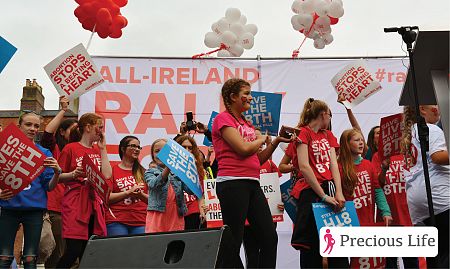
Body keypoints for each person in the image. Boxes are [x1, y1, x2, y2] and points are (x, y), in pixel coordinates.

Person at [211, 78, 291, 268]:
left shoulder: (246, 123)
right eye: (245, 94)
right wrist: (260, 139)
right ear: (232, 97)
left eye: (250, 94)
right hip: (232, 183)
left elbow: (257, 159)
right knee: (233, 240)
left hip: (252, 183)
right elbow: (243, 149)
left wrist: (275, 141)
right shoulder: (223, 119)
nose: (250, 98)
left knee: (269, 236)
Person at [290, 98, 347, 269]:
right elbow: (304, 166)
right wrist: (322, 196)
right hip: (310, 191)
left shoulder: (328, 135)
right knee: (311, 245)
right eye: (330, 115)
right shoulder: (303, 133)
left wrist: (338, 191)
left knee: (336, 242)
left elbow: (333, 164)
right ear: (323, 114)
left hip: (328, 187)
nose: (330, 119)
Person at [0, 111, 62, 269]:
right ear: (19, 126)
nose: (33, 129)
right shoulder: (4, 149)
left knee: (30, 258)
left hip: (34, 210)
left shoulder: (44, 153)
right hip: (9, 208)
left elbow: (49, 187)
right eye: (28, 124)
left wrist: (57, 172)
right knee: (4, 257)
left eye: (36, 126)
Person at [55, 113, 112, 268]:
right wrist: (74, 174)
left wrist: (103, 149)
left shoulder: (96, 150)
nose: (102, 131)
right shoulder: (71, 148)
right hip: (75, 202)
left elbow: (107, 175)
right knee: (73, 249)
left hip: (93, 203)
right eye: (99, 127)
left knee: (88, 251)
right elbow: (57, 177)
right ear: (88, 127)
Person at [401, 105, 449, 269]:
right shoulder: (431, 129)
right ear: (422, 109)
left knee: (433, 257)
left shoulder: (409, 134)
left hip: (417, 205)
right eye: (434, 105)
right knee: (447, 252)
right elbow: (437, 157)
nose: (438, 108)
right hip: (438, 198)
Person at [338, 128, 393, 268]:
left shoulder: (367, 164)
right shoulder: (339, 167)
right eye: (357, 140)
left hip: (368, 222)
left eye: (362, 140)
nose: (361, 143)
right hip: (349, 225)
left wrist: (385, 211)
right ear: (346, 144)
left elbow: (377, 190)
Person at [39, 96, 77, 268]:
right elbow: (47, 133)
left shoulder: (81, 151)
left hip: (74, 210)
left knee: (73, 254)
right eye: (74, 129)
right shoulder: (53, 149)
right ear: (62, 132)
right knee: (56, 255)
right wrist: (63, 110)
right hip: (56, 209)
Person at [243, 129, 284, 269]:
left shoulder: (271, 164)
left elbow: (275, 190)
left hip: (269, 216)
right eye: (255, 139)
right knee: (252, 257)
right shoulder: (243, 164)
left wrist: (280, 203)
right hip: (248, 221)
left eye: (261, 140)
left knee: (268, 252)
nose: (259, 144)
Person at [144, 138, 194, 233]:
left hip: (176, 214)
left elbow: (190, 191)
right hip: (158, 214)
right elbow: (154, 184)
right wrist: (168, 167)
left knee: (175, 242)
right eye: (156, 151)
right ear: (152, 155)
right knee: (157, 242)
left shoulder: (178, 172)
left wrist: (190, 169)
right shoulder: (150, 172)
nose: (160, 154)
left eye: (164, 151)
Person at [106, 136, 148, 236]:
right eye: (133, 146)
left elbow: (153, 200)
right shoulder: (112, 171)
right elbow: (106, 198)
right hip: (117, 219)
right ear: (123, 148)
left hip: (141, 220)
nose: (137, 149)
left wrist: (140, 195)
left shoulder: (144, 172)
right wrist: (128, 193)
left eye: (139, 147)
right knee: (120, 251)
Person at [174, 135, 208, 230]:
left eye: (190, 148)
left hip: (193, 211)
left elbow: (200, 195)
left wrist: (202, 212)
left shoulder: (198, 170)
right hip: (175, 212)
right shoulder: (169, 167)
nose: (187, 150)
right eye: (183, 147)